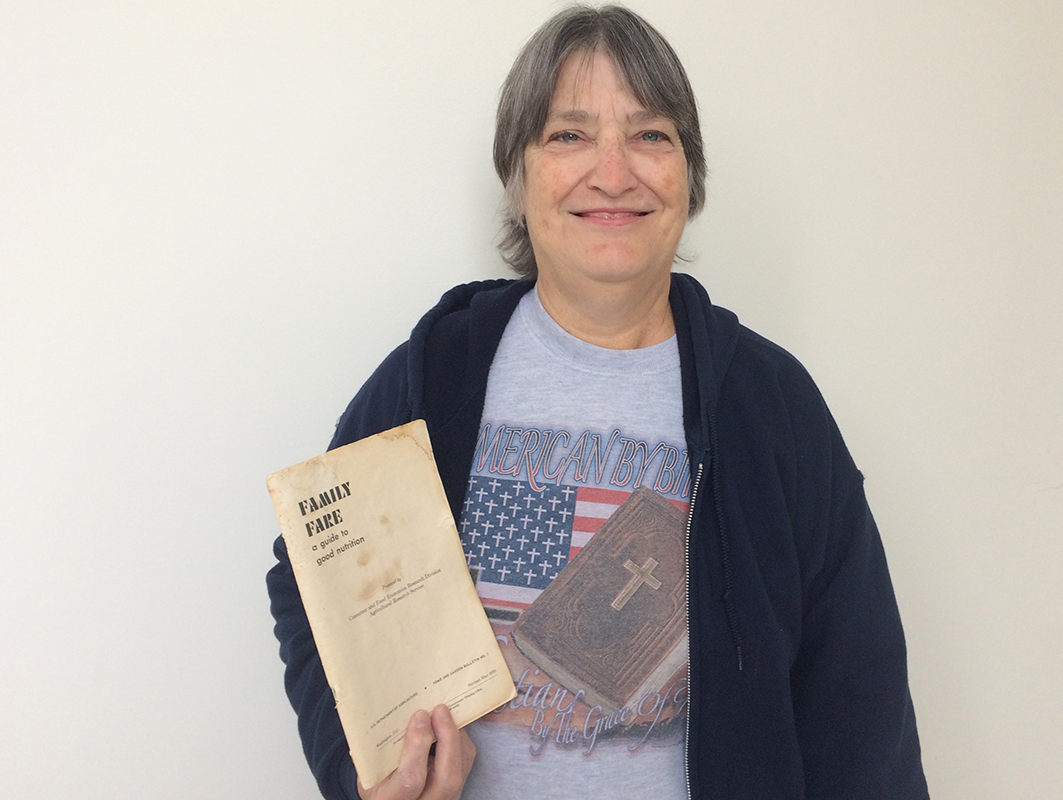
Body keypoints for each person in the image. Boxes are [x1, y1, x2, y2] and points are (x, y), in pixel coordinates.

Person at [267, 5, 928, 799]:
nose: (613, 173)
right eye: (569, 135)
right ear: (518, 175)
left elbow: (858, 695)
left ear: (690, 173)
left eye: (651, 135)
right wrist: (362, 774)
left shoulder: (770, 404)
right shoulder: (435, 376)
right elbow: (312, 577)